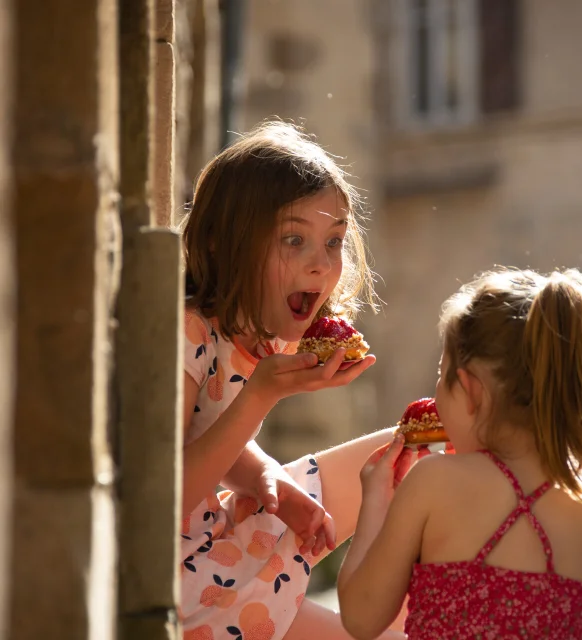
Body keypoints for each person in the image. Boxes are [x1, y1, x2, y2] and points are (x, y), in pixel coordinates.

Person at [179, 120, 406, 640]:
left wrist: (271, 480)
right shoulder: (186, 334)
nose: (321, 264)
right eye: (293, 239)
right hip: (184, 584)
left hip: (219, 546)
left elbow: (214, 431)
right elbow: (160, 496)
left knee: (410, 458)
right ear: (220, 244)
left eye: (334, 240)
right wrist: (262, 393)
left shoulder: (257, 331)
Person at [338, 268, 582, 640]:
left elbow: (360, 618)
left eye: (440, 374)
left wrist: (375, 503)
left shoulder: (435, 481)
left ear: (470, 389)